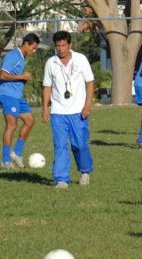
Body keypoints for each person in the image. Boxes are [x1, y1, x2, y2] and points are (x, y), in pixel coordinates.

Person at [42, 31, 94, 190]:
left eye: (64, 45)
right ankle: (61, 178)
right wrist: (45, 107)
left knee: (79, 144)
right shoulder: (51, 63)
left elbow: (90, 83)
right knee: (60, 145)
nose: (61, 49)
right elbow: (47, 86)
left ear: (69, 45)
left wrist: (87, 105)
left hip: (78, 111)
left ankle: (84, 171)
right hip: (58, 112)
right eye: (58, 46)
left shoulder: (81, 59)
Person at [0, 33, 41, 170]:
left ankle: (16, 153)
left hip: (17, 96)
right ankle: (5, 160)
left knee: (30, 120)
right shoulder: (13, 56)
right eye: (33, 48)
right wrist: (22, 76)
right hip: (8, 95)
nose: (34, 51)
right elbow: (3, 75)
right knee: (11, 125)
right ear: (26, 44)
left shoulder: (21, 58)